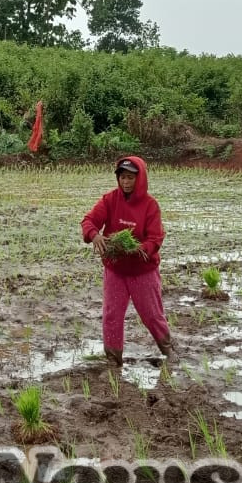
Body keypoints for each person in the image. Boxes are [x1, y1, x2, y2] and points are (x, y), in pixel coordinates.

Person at [81, 156, 176, 368]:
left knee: (152, 315)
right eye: (122, 177)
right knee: (112, 315)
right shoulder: (110, 200)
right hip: (115, 270)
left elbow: (155, 238)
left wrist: (138, 249)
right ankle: (113, 360)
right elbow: (89, 221)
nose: (126, 182)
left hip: (143, 271)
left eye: (131, 178)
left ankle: (169, 350)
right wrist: (95, 235)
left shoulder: (150, 206)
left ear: (139, 179)